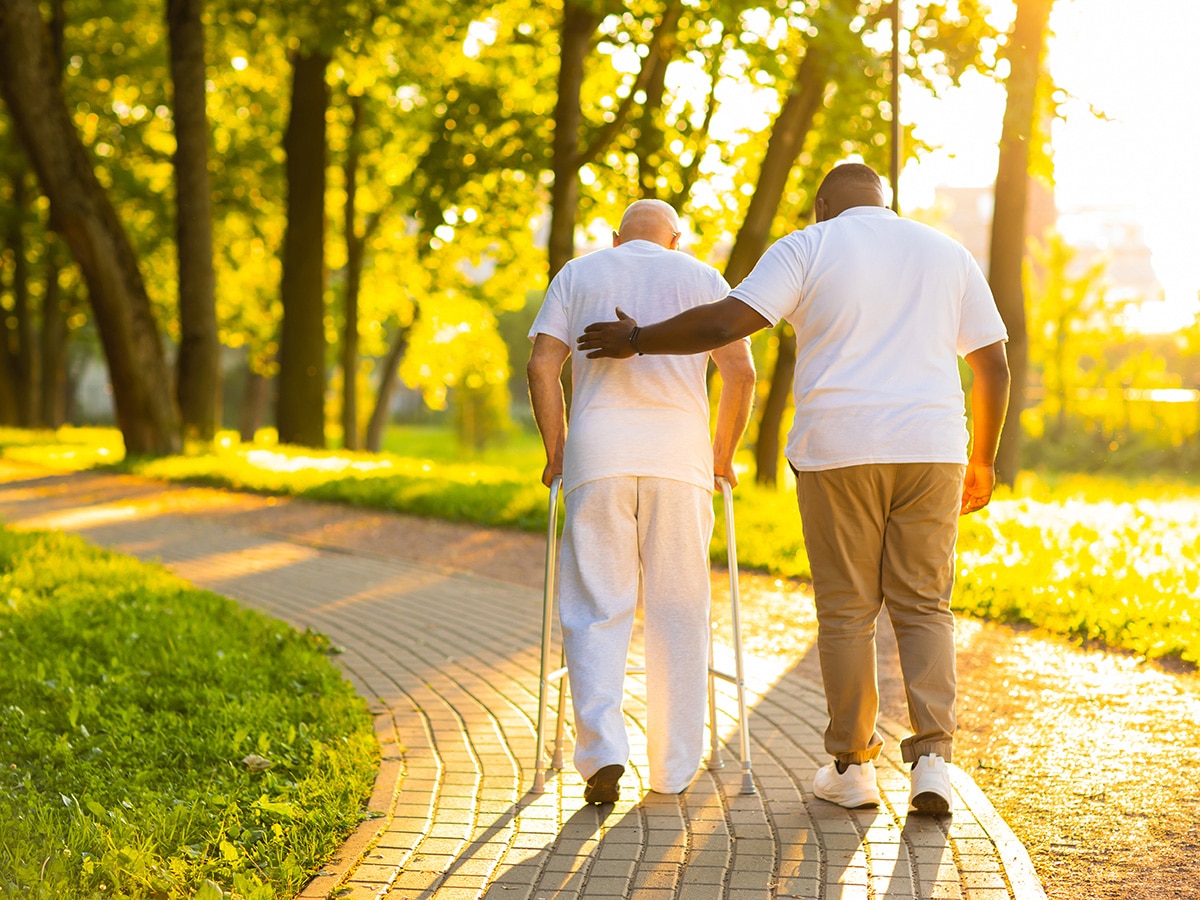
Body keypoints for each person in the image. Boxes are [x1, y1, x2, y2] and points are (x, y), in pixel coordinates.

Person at [576, 163, 1011, 815]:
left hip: (839, 448)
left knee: (847, 609)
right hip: (932, 449)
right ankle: (933, 765)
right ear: (884, 203)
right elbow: (993, 363)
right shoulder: (945, 251)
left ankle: (853, 767)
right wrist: (983, 458)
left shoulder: (808, 246)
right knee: (925, 605)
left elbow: (725, 325)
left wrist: (637, 339)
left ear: (820, 205)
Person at [527, 199, 756, 804]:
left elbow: (541, 364)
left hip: (598, 455)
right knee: (679, 607)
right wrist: (722, 453)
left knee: (598, 606)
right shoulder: (704, 278)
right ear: (675, 239)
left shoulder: (579, 272)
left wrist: (557, 449)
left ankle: (602, 753)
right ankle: (674, 768)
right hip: (679, 460)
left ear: (616, 236)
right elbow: (742, 372)